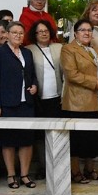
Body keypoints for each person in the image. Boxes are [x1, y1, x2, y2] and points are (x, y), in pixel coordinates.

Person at [0, 21, 38, 189]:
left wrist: (34, 85)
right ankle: (11, 175)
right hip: (7, 103)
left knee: (26, 140)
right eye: (14, 32)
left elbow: (32, 75)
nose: (18, 35)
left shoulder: (27, 53)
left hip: (26, 103)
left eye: (21, 33)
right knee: (8, 141)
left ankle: (24, 174)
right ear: (7, 35)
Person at [60, 19, 98, 184]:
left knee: (93, 139)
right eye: (82, 30)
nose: (87, 33)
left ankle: (90, 169)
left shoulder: (95, 49)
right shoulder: (68, 49)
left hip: (96, 100)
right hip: (77, 103)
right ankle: (75, 172)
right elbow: (71, 75)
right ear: (75, 33)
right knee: (77, 140)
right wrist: (96, 83)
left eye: (89, 30)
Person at [26, 19, 63, 180]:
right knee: (41, 136)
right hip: (39, 99)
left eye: (46, 30)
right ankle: (43, 166)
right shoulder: (28, 50)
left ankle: (58, 167)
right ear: (34, 34)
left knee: (57, 133)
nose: (43, 33)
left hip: (57, 97)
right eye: (39, 31)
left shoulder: (59, 48)